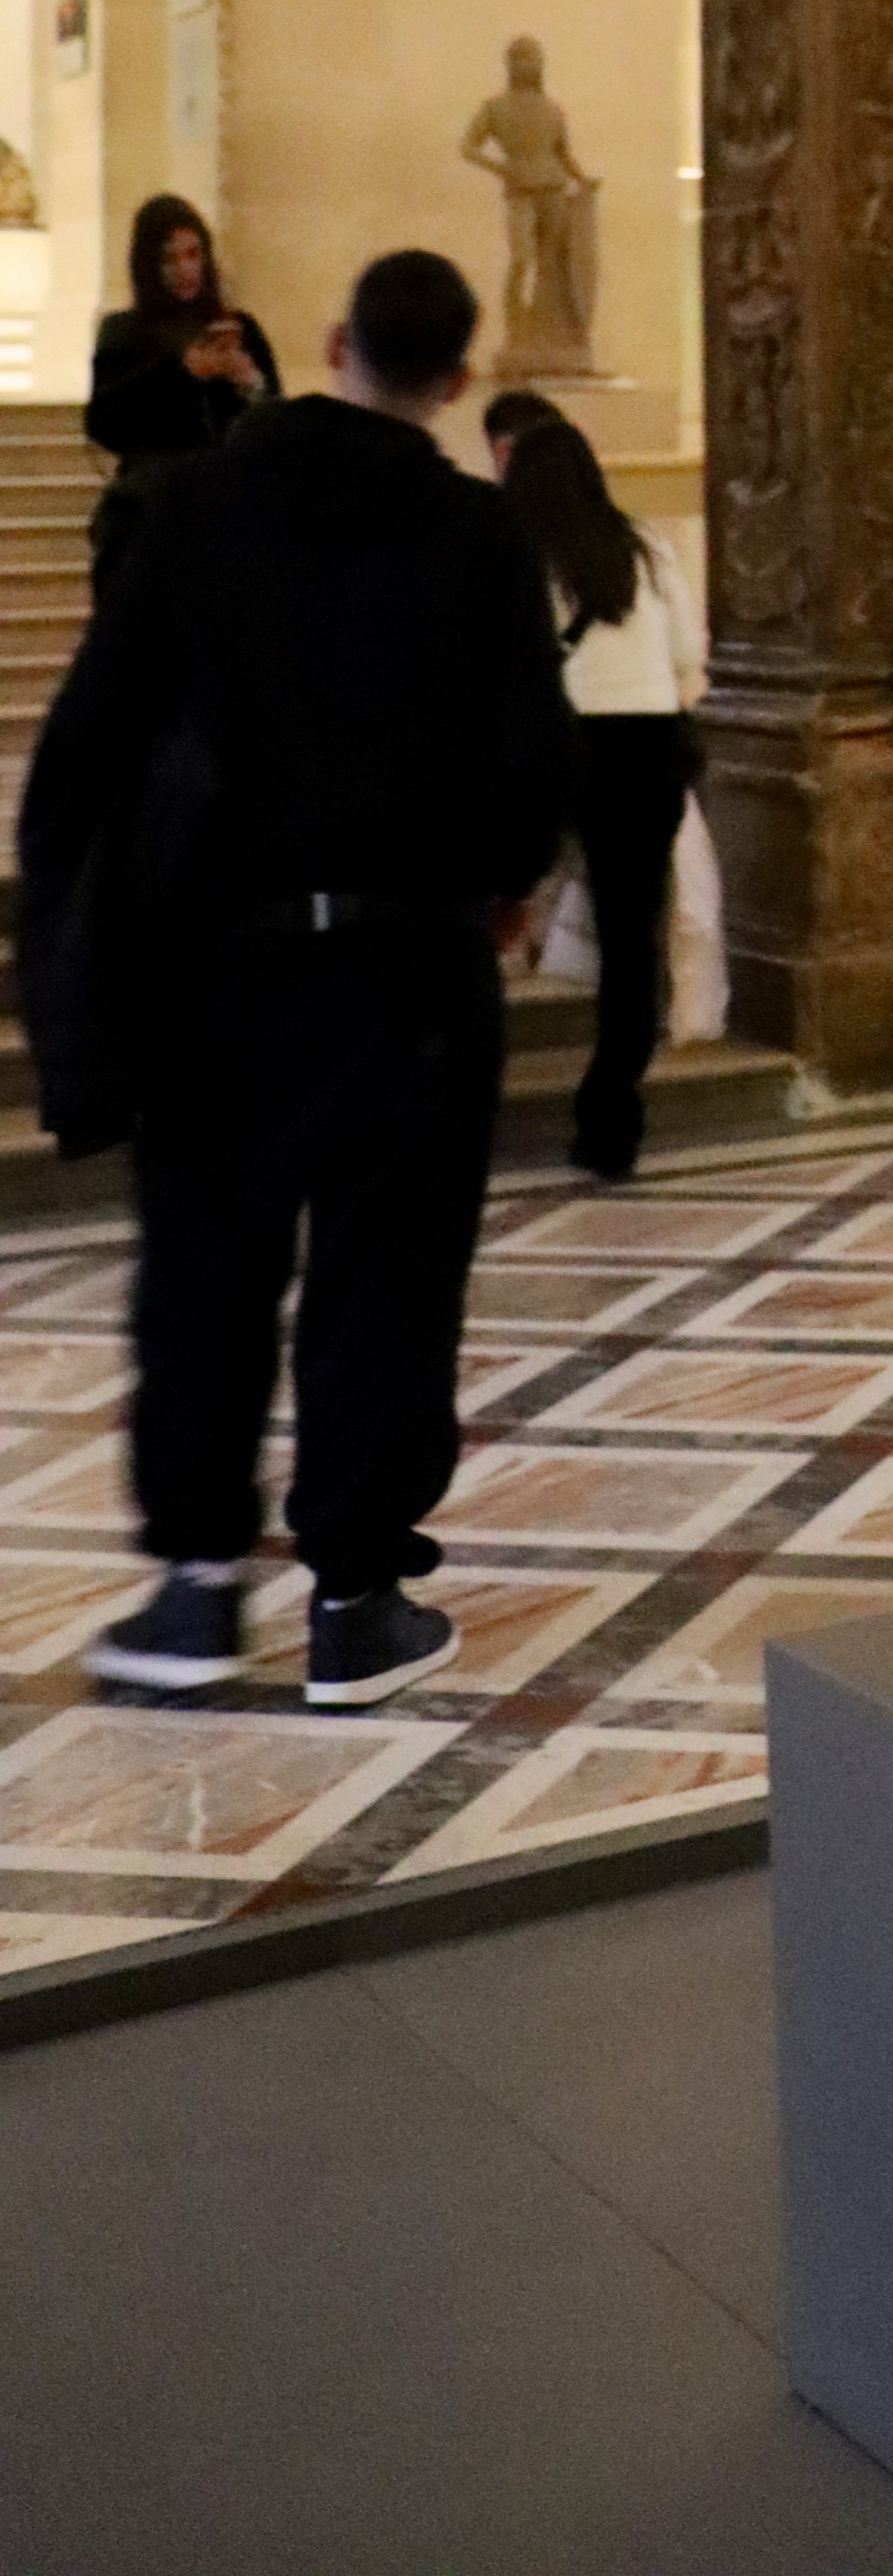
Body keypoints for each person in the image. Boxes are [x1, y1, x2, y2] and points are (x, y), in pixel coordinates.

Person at [22, 248, 573, 1709]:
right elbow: (533, 759)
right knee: (390, 1274)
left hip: (220, 964)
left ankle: (197, 1588)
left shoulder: (198, 508)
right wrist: (502, 878)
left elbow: (88, 742)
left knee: (205, 1267)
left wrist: (80, 936)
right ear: (456, 377)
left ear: (332, 343)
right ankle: (355, 1601)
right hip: (413, 965)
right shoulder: (479, 533)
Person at [499, 411, 704, 1184]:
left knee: (505, 902)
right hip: (648, 748)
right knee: (630, 941)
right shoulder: (644, 548)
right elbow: (686, 652)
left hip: (561, 741)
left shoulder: (523, 555)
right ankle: (612, 1116)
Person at [84, 196, 279, 595]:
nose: (184, 270)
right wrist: (182, 372)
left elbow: (275, 422)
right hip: (151, 509)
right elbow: (104, 422)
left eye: (193, 254)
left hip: (227, 509)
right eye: (169, 258)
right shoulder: (125, 333)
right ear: (148, 264)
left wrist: (250, 381)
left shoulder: (240, 329)